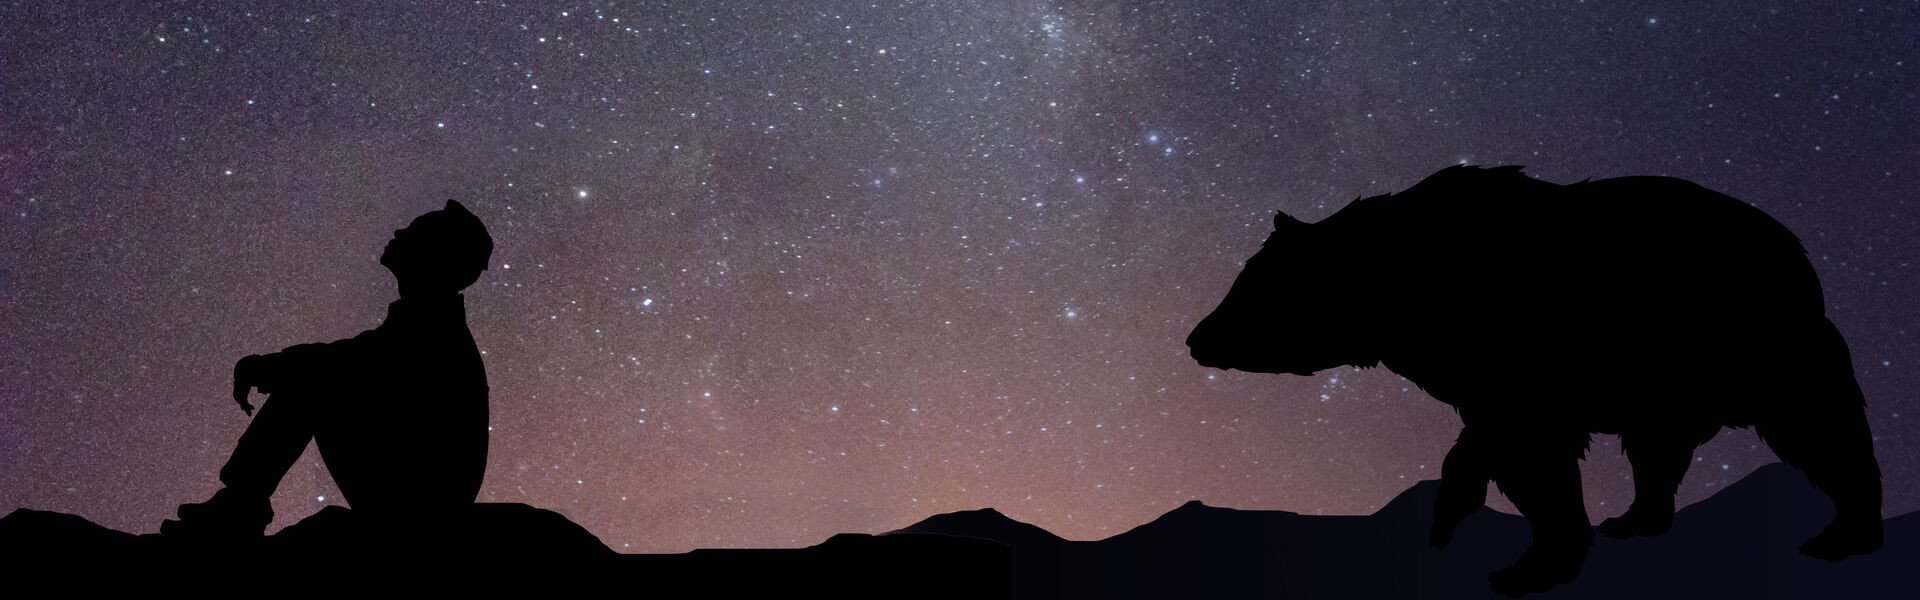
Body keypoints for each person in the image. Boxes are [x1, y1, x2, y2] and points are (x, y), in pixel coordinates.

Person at [163, 200, 494, 538]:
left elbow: (348, 362)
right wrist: (270, 367)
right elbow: (355, 358)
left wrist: (264, 367)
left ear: (434, 254)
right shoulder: (428, 321)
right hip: (419, 489)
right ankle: (241, 502)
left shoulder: (432, 328)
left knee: (310, 381)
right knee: (313, 376)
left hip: (422, 500)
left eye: (416, 230)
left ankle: (241, 505)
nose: (399, 231)